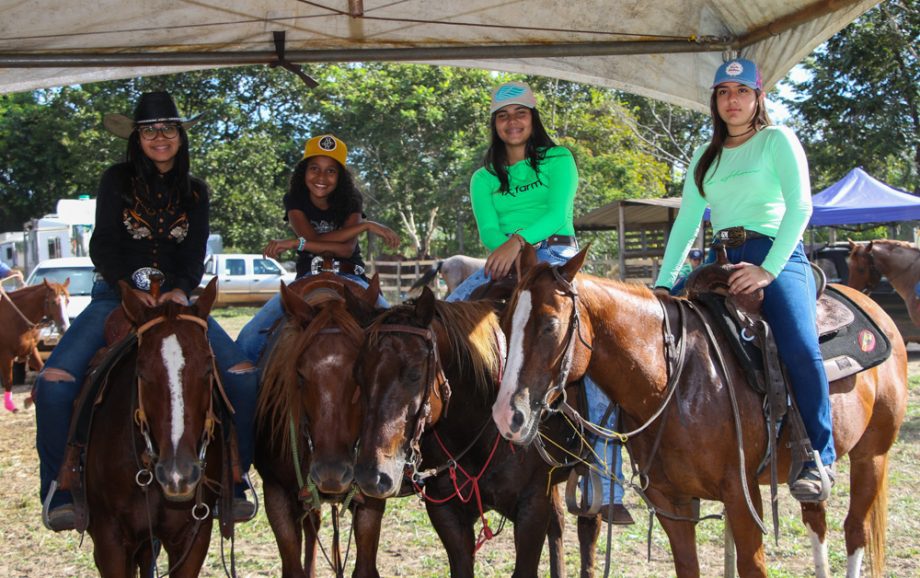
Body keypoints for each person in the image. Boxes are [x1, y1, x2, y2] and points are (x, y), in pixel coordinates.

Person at [34, 91, 259, 531]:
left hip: (178, 301)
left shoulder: (196, 191)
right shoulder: (116, 180)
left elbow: (194, 252)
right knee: (54, 384)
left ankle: (234, 477)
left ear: (180, 137)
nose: (160, 137)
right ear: (137, 138)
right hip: (114, 297)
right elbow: (103, 245)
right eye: (150, 130)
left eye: (168, 129)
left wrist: (178, 290)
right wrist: (128, 288)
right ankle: (60, 485)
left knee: (242, 377)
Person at [447, 80, 633, 525]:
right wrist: (508, 250)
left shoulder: (558, 159)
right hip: (504, 262)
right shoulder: (484, 177)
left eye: (520, 114)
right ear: (494, 124)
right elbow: (488, 230)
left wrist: (518, 242)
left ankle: (604, 479)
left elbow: (557, 211)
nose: (512, 123)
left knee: (595, 346)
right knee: (446, 318)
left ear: (533, 119)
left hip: (557, 255)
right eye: (503, 116)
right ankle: (442, 440)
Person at [653, 58, 835, 502]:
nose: (731, 101)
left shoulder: (777, 140)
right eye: (723, 93)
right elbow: (687, 223)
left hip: (774, 253)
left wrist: (768, 270)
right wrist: (664, 282)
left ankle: (818, 455)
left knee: (797, 343)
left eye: (740, 91)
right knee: (653, 333)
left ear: (758, 97)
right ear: (714, 102)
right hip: (720, 257)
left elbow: (801, 208)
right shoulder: (706, 155)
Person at [236, 134, 399, 364]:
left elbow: (344, 250)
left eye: (331, 170)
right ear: (304, 171)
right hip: (308, 277)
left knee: (395, 331)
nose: (321, 177)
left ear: (340, 176)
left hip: (350, 275)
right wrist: (363, 227)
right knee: (249, 340)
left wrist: (298, 243)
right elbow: (310, 238)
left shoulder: (352, 199)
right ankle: (245, 398)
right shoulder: (294, 199)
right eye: (314, 168)